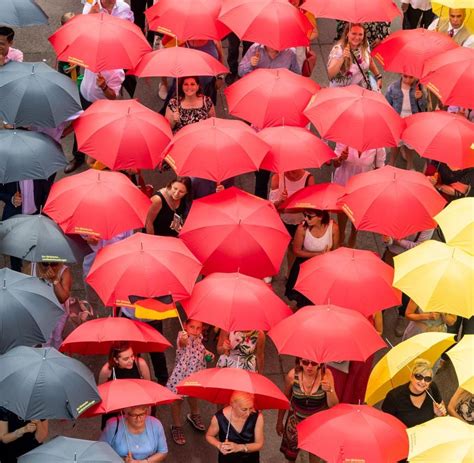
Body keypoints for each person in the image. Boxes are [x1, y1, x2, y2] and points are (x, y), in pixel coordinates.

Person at [277, 359, 338, 462]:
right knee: (291, 455)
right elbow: (285, 399)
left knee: (314, 457)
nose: (309, 366)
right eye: (305, 362)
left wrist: (329, 390)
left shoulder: (326, 375)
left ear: (319, 363)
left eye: (313, 363)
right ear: (300, 362)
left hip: (316, 425)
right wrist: (279, 421)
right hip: (295, 423)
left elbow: (334, 405)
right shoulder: (292, 375)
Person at [167, 319, 215, 445]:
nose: (195, 330)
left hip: (195, 374)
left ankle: (194, 414)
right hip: (181, 376)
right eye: (192, 327)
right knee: (177, 400)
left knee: (193, 396)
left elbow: (201, 349)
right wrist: (183, 338)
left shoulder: (199, 337)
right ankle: (176, 426)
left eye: (199, 328)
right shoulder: (182, 337)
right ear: (185, 326)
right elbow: (182, 343)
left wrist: (207, 353)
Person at [381, 230, 434, 337]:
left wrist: (398, 241)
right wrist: (389, 240)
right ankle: (378, 315)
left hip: (412, 259)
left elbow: (419, 248)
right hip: (392, 255)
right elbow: (389, 242)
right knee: (384, 287)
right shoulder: (396, 215)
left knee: (406, 292)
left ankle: (402, 315)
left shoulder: (428, 224)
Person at [332, 144, 386, 246]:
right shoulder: (345, 139)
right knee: (342, 212)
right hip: (344, 183)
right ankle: (341, 234)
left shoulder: (377, 144)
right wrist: (340, 159)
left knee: (357, 215)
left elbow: (379, 167)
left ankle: (353, 234)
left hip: (363, 187)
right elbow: (335, 163)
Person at [285, 209, 339, 307]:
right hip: (305, 267)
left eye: (309, 216)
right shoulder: (302, 228)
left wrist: (329, 255)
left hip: (324, 269)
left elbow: (336, 251)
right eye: (304, 215)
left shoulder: (333, 228)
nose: (306, 218)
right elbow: (296, 251)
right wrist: (319, 255)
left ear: (320, 216)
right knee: (304, 301)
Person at [268, 169, 315, 275]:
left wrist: (292, 206)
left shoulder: (309, 178)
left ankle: (290, 273)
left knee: (294, 248)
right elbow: (271, 207)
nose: (292, 171)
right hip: (282, 221)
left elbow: (312, 203)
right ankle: (271, 271)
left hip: (301, 222)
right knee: (279, 247)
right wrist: (280, 201)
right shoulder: (277, 178)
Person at [382, 358, 447, 427]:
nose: (423, 382)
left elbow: (442, 408)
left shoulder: (432, 387)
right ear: (411, 376)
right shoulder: (394, 396)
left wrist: (439, 414)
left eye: (427, 379)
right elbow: (386, 423)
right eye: (418, 376)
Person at [206, 391, 264, 462]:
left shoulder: (257, 417)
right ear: (233, 405)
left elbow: (259, 444)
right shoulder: (219, 417)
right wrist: (219, 445)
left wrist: (239, 447)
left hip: (250, 459)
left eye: (251, 408)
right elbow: (209, 436)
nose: (248, 413)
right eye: (244, 409)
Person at [385, 74, 427, 170]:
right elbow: (387, 103)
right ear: (401, 74)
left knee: (409, 144)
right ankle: (392, 162)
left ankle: (410, 163)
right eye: (405, 77)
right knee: (396, 144)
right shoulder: (393, 87)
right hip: (397, 121)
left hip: (411, 122)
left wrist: (420, 98)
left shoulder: (419, 88)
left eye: (411, 77)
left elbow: (424, 107)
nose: (407, 80)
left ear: (416, 77)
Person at [100, 405, 168, 462]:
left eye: (142, 414)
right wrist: (122, 460)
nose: (138, 419)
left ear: (147, 412)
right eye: (134, 415)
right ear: (126, 414)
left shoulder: (156, 424)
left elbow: (163, 452)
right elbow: (101, 450)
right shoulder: (112, 426)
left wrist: (146, 462)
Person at [327, 23, 382, 89]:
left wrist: (378, 76)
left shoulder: (364, 45)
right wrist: (342, 58)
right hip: (341, 91)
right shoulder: (339, 50)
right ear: (347, 33)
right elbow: (330, 75)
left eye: (360, 34)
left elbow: (369, 60)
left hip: (359, 89)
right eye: (354, 33)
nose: (357, 37)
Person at [34, 261, 72, 349]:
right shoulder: (32, 268)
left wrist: (55, 280)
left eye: (54, 264)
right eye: (45, 264)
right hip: (40, 311)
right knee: (44, 338)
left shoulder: (64, 271)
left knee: (57, 337)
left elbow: (62, 298)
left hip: (59, 312)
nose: (50, 268)